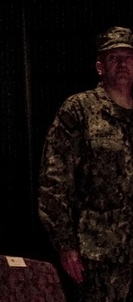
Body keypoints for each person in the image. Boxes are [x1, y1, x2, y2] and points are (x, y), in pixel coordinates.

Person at [38, 26, 133, 302]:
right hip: (99, 253)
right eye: (113, 57)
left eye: (127, 57)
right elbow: (53, 181)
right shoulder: (80, 109)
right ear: (100, 67)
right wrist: (65, 245)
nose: (122, 63)